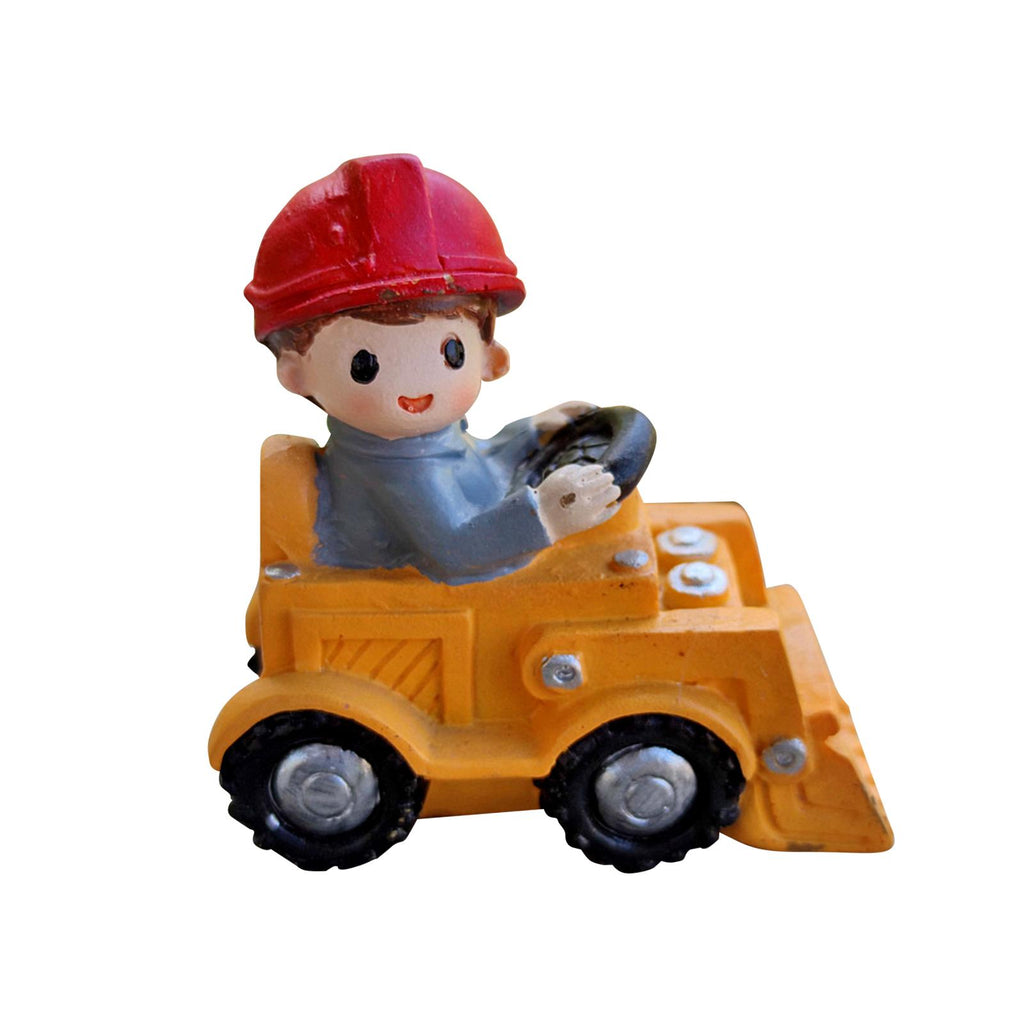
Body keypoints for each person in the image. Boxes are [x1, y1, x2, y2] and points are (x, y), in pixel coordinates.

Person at [245, 154, 620, 584]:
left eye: (452, 354)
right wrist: (547, 517)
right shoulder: (397, 470)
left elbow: (480, 464)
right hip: (423, 584)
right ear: (295, 374)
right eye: (365, 366)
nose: (415, 385)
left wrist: (533, 433)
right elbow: (457, 549)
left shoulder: (433, 444)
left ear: (490, 358)